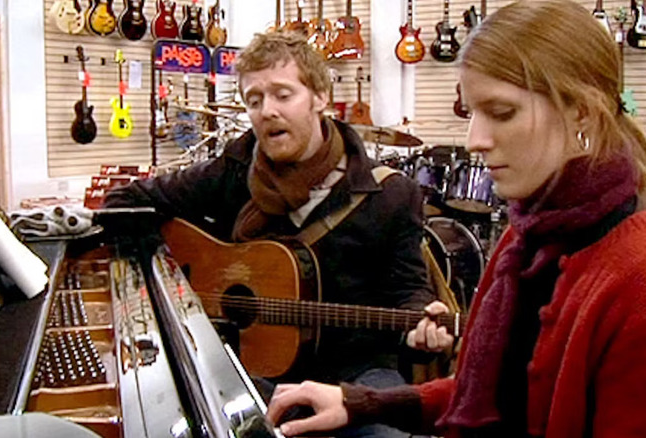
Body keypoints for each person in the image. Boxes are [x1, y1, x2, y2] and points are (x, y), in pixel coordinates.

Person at [265, 1, 646, 437]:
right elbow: (495, 398)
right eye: (472, 111)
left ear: (581, 109)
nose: (475, 139)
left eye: (500, 113)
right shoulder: (533, 230)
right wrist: (361, 403)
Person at [104, 31, 436, 438]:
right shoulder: (234, 167)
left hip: (358, 373)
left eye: (282, 95)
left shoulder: (390, 193)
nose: (266, 111)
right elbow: (129, 200)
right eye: (254, 100)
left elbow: (410, 290)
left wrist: (425, 321)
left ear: (319, 97)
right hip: (253, 369)